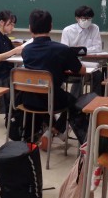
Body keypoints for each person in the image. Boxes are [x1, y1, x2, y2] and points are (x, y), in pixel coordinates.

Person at [22, 9, 86, 145]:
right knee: (76, 102)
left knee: (46, 97)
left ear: (30, 28)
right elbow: (81, 70)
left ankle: (51, 130)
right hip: (53, 100)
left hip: (29, 99)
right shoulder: (62, 49)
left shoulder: (26, 50)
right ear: (51, 26)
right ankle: (56, 129)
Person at [60, 5, 103, 95]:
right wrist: (82, 51)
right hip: (73, 63)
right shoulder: (68, 30)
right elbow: (64, 50)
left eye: (89, 18)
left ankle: (95, 100)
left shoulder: (94, 28)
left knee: (98, 75)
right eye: (84, 19)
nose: (87, 21)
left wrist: (82, 50)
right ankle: (74, 101)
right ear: (77, 18)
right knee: (79, 74)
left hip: (89, 63)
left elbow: (98, 48)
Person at [0, 11, 24, 115]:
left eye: (13, 25)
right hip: (2, 77)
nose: (12, 27)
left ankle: (20, 113)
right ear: (2, 22)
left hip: (9, 72)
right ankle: (16, 113)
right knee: (25, 83)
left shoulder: (5, 38)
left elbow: (13, 53)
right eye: (10, 24)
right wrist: (13, 51)